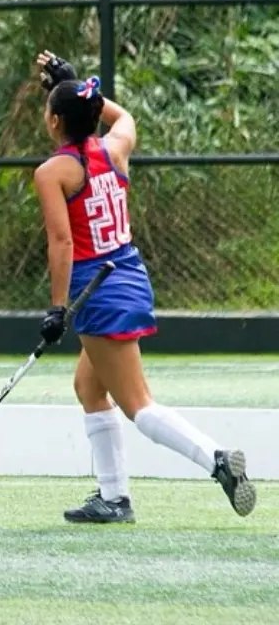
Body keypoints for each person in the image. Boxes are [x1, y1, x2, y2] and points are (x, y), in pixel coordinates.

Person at [33, 50, 256, 524]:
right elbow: (123, 116)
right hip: (129, 275)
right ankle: (114, 499)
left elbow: (60, 241)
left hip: (98, 288)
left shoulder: (53, 172)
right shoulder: (116, 147)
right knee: (88, 386)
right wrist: (77, 85)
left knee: (138, 405)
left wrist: (56, 309)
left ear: (53, 121)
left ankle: (216, 459)